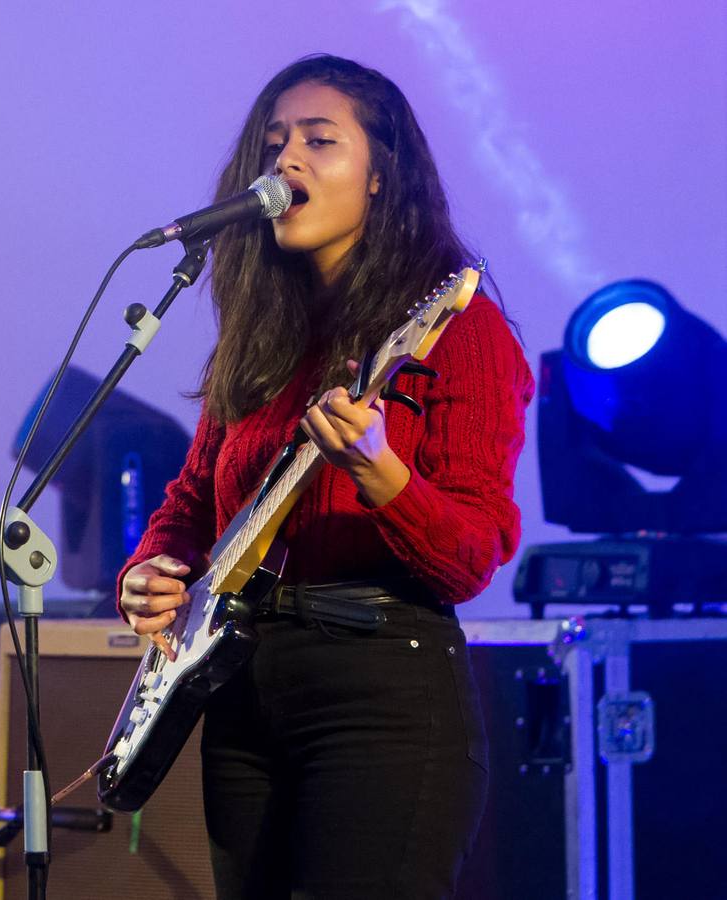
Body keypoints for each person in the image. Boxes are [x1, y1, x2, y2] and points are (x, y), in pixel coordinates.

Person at [116, 54, 533, 898]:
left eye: (318, 140)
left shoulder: (462, 332)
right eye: (274, 144)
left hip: (382, 689)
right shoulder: (261, 340)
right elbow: (194, 501)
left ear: (383, 176)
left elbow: (471, 555)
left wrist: (382, 474)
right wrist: (151, 571)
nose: (286, 162)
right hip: (243, 692)